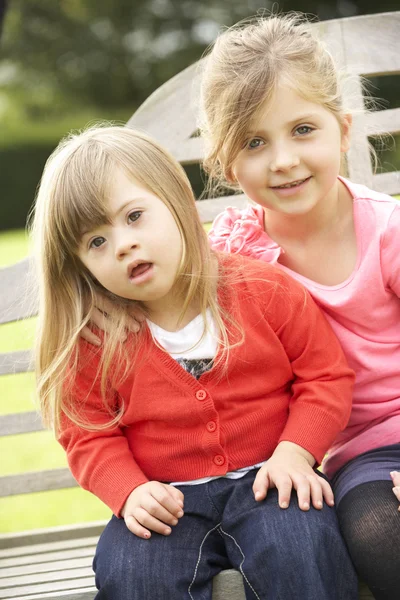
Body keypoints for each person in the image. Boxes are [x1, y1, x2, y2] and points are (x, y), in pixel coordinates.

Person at [31, 125, 357, 600]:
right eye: (96, 243)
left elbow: (324, 377)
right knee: (135, 575)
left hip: (270, 477)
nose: (123, 245)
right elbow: (87, 433)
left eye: (135, 216)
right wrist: (129, 492)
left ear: (177, 201)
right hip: (165, 499)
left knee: (303, 547)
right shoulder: (96, 341)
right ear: (81, 266)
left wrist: (296, 452)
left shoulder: (263, 291)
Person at [197, 12, 400, 600]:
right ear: (225, 163)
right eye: (255, 142)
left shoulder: (385, 232)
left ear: (343, 129)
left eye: (303, 129)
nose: (282, 159)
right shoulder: (236, 257)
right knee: (377, 535)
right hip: (353, 456)